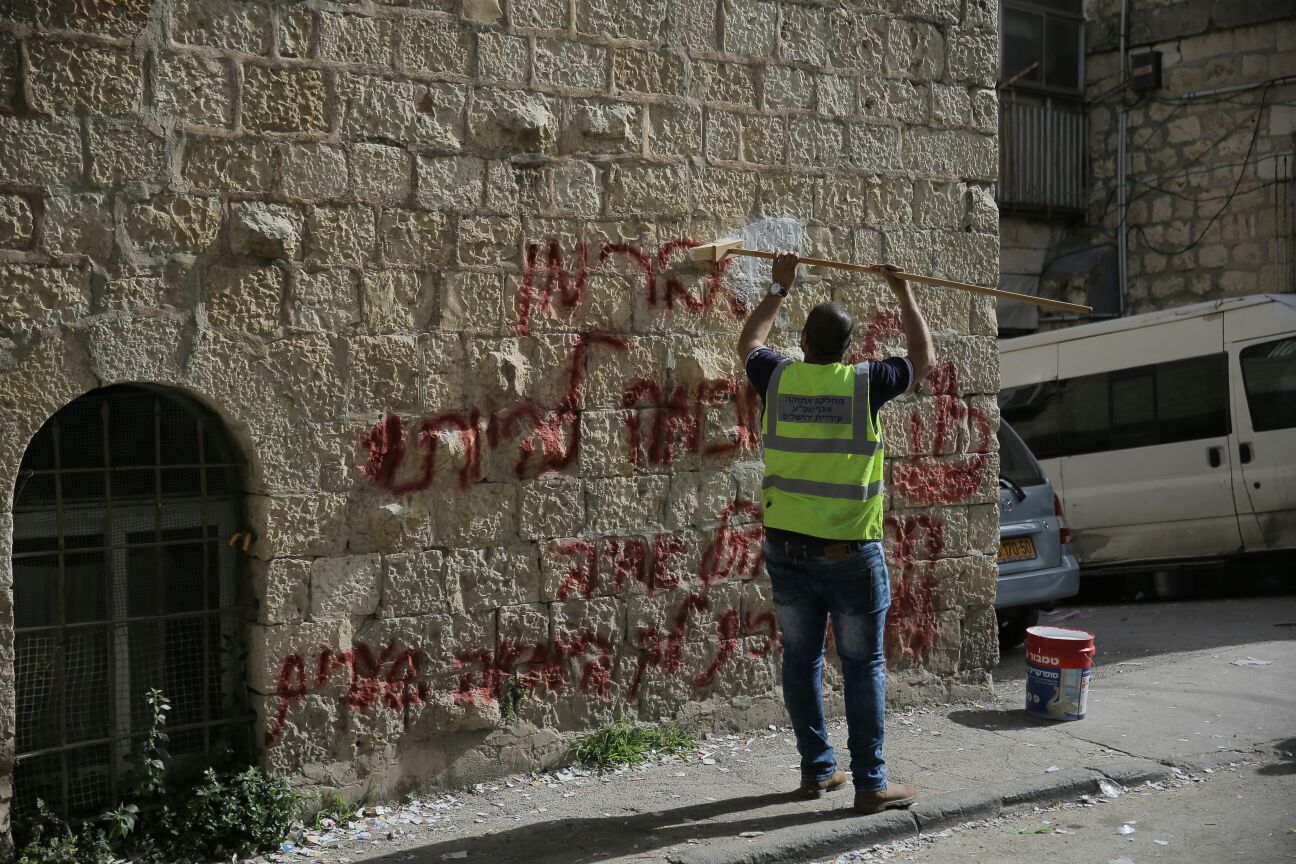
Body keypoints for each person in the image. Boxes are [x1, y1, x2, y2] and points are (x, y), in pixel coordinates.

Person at [736, 251, 935, 814]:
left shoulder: (778, 376)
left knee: (800, 659)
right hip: (850, 552)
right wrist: (904, 291)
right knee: (863, 663)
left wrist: (778, 286)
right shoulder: (866, 383)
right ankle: (870, 783)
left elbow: (748, 341)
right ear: (849, 348)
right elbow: (924, 358)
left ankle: (817, 771)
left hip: (787, 548)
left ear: (803, 341)